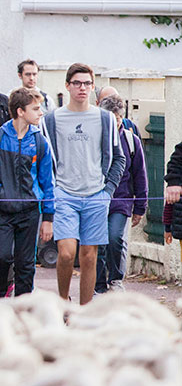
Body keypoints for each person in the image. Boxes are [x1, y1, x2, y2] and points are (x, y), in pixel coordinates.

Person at [42, 63, 126, 303]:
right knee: (67, 253)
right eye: (77, 83)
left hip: (95, 194)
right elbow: (45, 159)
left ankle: (85, 309)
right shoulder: (52, 119)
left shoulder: (106, 118)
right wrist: (51, 191)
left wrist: (107, 191)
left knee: (89, 255)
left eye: (87, 83)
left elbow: (118, 157)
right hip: (64, 193)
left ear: (92, 87)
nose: (82, 88)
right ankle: (62, 300)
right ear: (67, 86)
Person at [0, 87, 56, 297]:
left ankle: (23, 306)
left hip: (30, 211)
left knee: (26, 263)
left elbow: (48, 182)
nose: (41, 113)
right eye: (36, 108)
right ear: (20, 111)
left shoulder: (40, 141)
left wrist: (48, 217)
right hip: (2, 212)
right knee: (2, 257)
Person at [96, 95, 146, 294]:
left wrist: (140, 206)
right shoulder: (96, 138)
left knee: (115, 237)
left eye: (118, 117)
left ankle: (115, 279)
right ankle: (98, 284)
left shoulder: (131, 140)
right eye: (111, 117)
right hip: (97, 199)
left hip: (121, 201)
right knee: (98, 243)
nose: (115, 121)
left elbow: (140, 174)